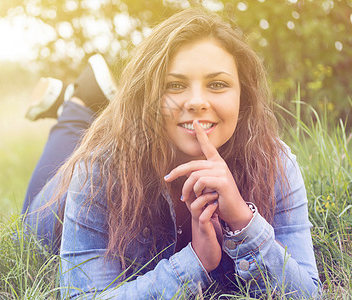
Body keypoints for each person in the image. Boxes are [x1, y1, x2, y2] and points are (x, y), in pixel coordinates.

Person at [22, 8, 321, 299]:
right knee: (30, 223)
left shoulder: (275, 162)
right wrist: (195, 263)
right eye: (175, 85)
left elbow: (307, 294)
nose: (196, 101)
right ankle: (75, 104)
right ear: (148, 96)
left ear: (243, 95)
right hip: (54, 207)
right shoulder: (102, 167)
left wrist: (243, 221)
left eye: (217, 84)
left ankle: (82, 104)